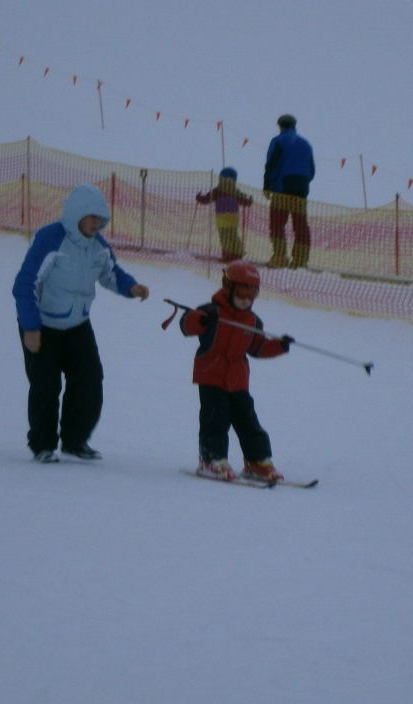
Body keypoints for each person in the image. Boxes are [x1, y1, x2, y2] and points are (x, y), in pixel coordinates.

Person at [12, 184, 150, 463]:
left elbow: (111, 274)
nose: (95, 224)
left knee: (89, 380)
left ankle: (75, 440)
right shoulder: (51, 240)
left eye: (99, 219)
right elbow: (24, 284)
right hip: (42, 324)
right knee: (46, 385)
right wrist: (30, 326)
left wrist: (131, 287)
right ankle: (43, 444)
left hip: (77, 324)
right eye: (90, 217)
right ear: (75, 215)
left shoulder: (98, 247)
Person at [179, 261, 291, 482]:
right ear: (228, 287)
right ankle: (212, 459)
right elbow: (186, 326)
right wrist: (200, 319)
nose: (246, 298)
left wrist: (279, 345)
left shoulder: (252, 321)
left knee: (248, 421)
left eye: (252, 293)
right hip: (211, 375)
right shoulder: (211, 312)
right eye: (242, 290)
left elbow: (257, 348)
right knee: (215, 419)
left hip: (238, 380)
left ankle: (257, 461)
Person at [263, 114, 315, 269]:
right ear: (294, 125)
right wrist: (303, 182)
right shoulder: (306, 144)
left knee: (277, 223)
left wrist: (267, 186)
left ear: (280, 126)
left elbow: (271, 165)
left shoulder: (278, 141)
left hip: (283, 186)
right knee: (300, 224)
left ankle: (279, 256)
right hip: (302, 187)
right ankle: (300, 260)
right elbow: (311, 169)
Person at [196, 167, 253, 262]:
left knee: (225, 236)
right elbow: (245, 200)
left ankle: (228, 254)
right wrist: (249, 201)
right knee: (233, 235)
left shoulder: (218, 191)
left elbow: (206, 199)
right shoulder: (235, 191)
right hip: (233, 218)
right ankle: (238, 252)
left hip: (222, 218)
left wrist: (199, 198)